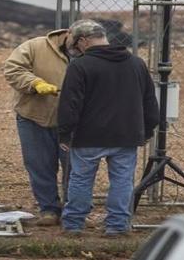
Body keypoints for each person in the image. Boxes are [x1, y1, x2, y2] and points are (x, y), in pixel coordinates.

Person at [56, 19, 159, 237]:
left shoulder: (80, 66)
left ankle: (73, 224)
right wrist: (148, 129)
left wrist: (65, 133)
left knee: (81, 179)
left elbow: (70, 104)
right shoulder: (136, 63)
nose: (74, 49)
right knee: (122, 180)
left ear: (83, 41)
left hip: (88, 135)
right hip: (126, 134)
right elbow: (149, 100)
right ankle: (118, 226)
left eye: (74, 44)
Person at [3, 25, 87, 226]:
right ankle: (48, 209)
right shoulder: (35, 46)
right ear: (69, 35)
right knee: (39, 165)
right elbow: (13, 69)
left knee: (75, 167)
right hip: (34, 116)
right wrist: (34, 84)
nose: (80, 48)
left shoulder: (91, 53)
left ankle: (74, 211)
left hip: (75, 122)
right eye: (78, 43)